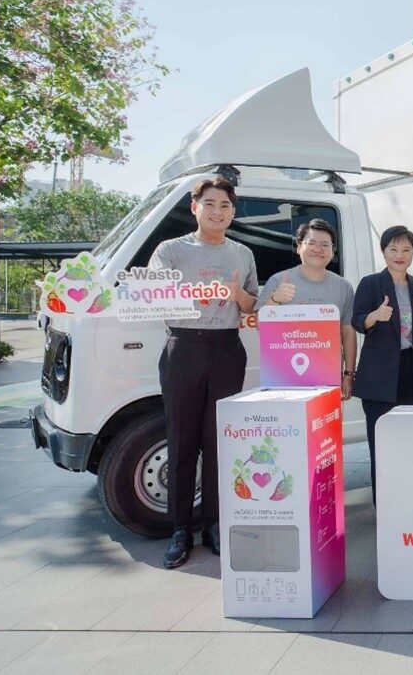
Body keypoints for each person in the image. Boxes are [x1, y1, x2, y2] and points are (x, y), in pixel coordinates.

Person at [149, 177, 258, 569]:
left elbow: (251, 306)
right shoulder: (171, 250)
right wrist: (197, 292)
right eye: (209, 204)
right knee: (182, 440)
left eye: (225, 205)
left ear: (233, 211)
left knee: (218, 442)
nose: (217, 211)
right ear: (195, 207)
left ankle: (214, 524)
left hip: (227, 349)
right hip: (184, 347)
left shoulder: (242, 253)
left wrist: (236, 295)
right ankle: (180, 530)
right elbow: (153, 295)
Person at [351, 225, 413, 505]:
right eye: (393, 249)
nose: (399, 255)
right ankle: (384, 506)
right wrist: (374, 316)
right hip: (379, 376)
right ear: (384, 251)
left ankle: (409, 501)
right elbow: (357, 321)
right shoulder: (370, 284)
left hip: (412, 371)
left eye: (406, 250)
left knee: (409, 442)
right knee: (381, 443)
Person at [257, 218, 357, 399]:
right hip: (284, 376)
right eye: (311, 243)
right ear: (298, 247)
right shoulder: (278, 280)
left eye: (325, 245)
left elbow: (348, 332)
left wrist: (349, 373)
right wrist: (275, 299)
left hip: (328, 376)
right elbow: (259, 324)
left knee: (327, 417)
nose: (318, 249)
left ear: (332, 251)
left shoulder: (344, 287)